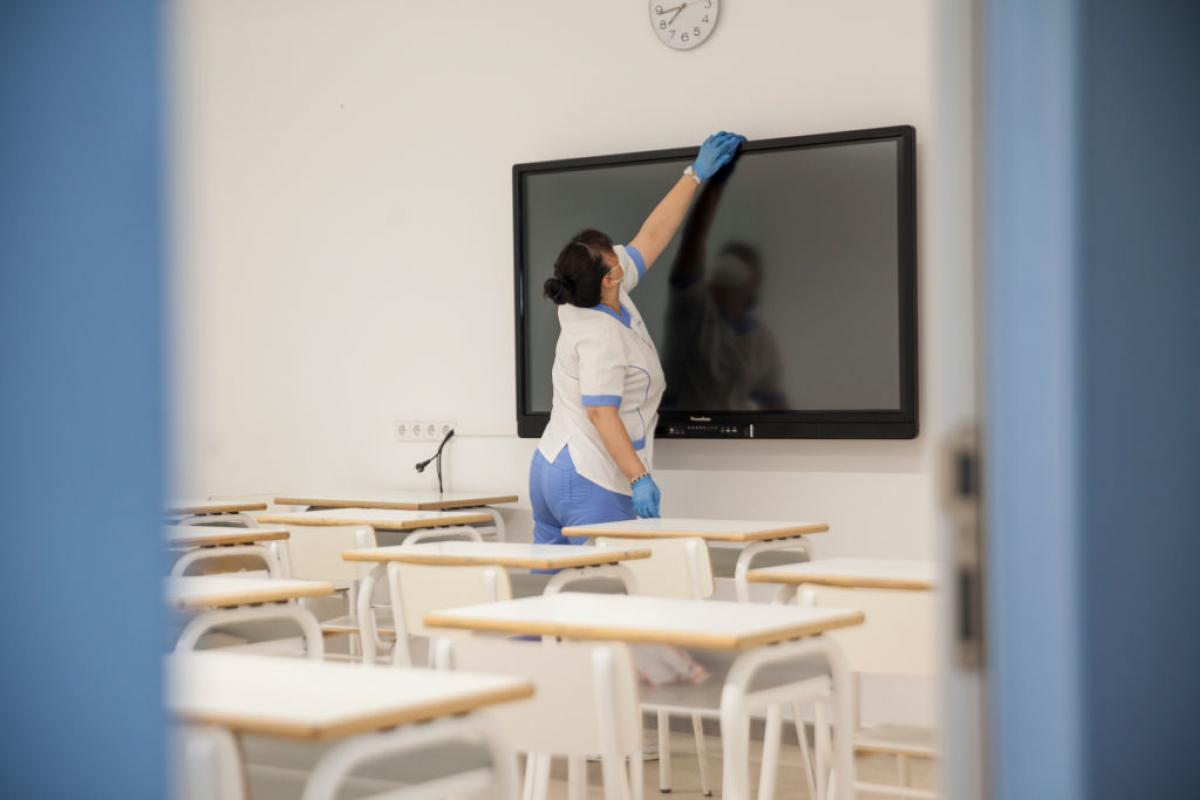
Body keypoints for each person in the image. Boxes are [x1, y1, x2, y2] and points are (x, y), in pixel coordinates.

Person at [531, 131, 746, 546]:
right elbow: (601, 413)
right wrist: (638, 477)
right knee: (609, 584)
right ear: (609, 278)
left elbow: (651, 237)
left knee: (554, 586)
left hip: (551, 469)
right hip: (591, 477)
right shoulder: (599, 336)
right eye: (614, 258)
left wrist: (694, 175)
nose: (621, 254)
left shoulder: (590, 292)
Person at [663, 166, 788, 411]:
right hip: (674, 424)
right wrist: (715, 185)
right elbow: (692, 244)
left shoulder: (760, 340)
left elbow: (775, 404)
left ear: (752, 283)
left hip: (735, 429)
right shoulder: (693, 310)